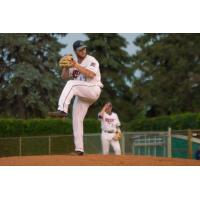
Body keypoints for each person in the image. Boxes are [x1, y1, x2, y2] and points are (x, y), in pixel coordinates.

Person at [48, 40, 103, 156]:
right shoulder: (73, 63)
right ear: (75, 51)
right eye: (80, 49)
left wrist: (75, 65)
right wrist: (66, 67)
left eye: (84, 48)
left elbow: (91, 74)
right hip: (82, 94)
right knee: (77, 120)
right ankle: (79, 149)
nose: (83, 51)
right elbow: (63, 77)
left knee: (71, 84)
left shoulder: (91, 60)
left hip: (93, 89)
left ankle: (62, 110)